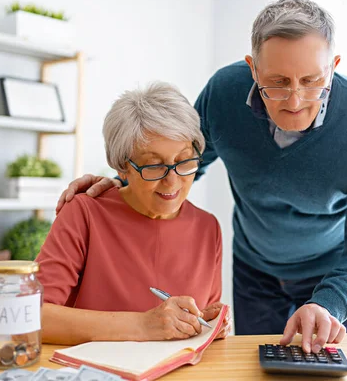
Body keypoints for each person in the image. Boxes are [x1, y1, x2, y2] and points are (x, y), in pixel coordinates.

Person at [57, 0, 347, 353]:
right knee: (254, 369)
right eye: (277, 82)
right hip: (255, 267)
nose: (295, 101)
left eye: (312, 81)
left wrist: (329, 304)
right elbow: (183, 162)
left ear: (334, 66)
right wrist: (122, 182)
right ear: (253, 68)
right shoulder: (224, 93)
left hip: (333, 273)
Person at [36, 82, 231, 345]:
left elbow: (200, 326)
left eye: (184, 161)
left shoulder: (208, 228)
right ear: (122, 166)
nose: (172, 182)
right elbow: (33, 316)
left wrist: (209, 325)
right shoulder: (84, 214)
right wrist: (143, 325)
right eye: (153, 165)